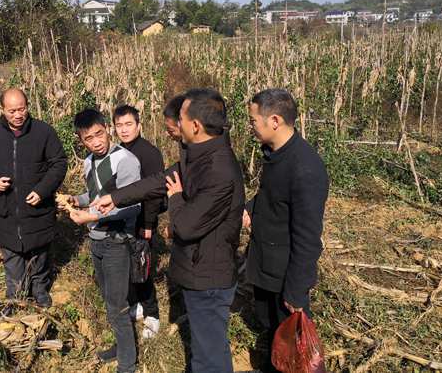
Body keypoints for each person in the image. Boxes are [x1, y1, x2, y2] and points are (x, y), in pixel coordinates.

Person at [93, 88, 245, 373]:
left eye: (181, 118)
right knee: (208, 350)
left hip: (209, 278)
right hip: (199, 269)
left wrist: (174, 197)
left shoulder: (218, 170)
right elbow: (159, 181)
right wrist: (115, 197)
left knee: (208, 359)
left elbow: (185, 225)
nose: (176, 124)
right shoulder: (198, 156)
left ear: (195, 125)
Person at [242, 88, 329, 373]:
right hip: (267, 265)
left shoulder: (304, 168)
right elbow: (274, 195)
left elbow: (308, 238)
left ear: (275, 121)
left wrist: (296, 290)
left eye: (253, 120)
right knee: (274, 333)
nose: (250, 126)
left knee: (292, 346)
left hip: (284, 277)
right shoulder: (277, 154)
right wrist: (251, 207)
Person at [0, 88, 68, 319]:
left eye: (22, 109)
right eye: (12, 111)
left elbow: (59, 164)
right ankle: (15, 295)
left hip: (37, 208)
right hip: (6, 210)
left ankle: (40, 289)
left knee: (40, 252)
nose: (18, 115)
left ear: (28, 106)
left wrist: (42, 190)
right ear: (1, 109)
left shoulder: (44, 132)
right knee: (12, 256)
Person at [57, 108, 140, 373]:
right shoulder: (89, 161)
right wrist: (76, 200)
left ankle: (127, 365)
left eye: (99, 134)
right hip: (96, 241)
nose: (97, 142)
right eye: (89, 138)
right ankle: (121, 348)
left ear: (107, 127)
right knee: (109, 301)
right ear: (80, 140)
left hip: (117, 241)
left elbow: (133, 205)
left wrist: (91, 216)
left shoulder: (125, 160)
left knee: (117, 306)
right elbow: (94, 195)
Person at [113, 104, 165, 338]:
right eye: (119, 125)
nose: (124, 130)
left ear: (139, 125)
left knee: (140, 266)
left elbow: (155, 193)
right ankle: (142, 304)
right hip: (124, 218)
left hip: (142, 220)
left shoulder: (149, 153)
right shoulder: (118, 151)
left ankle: (152, 315)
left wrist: (148, 225)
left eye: (128, 124)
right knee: (130, 265)